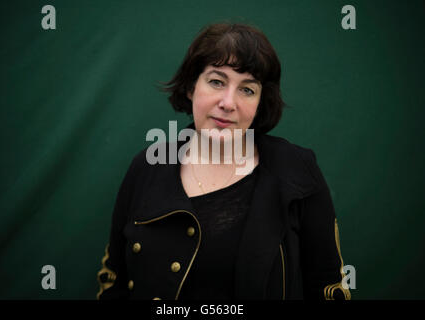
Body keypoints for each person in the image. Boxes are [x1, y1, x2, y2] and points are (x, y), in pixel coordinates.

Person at [96, 22, 351, 300]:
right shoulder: (146, 167)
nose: (229, 103)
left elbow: (328, 286)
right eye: (216, 81)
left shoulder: (297, 171)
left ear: (259, 103)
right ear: (192, 86)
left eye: (247, 89)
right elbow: (114, 280)